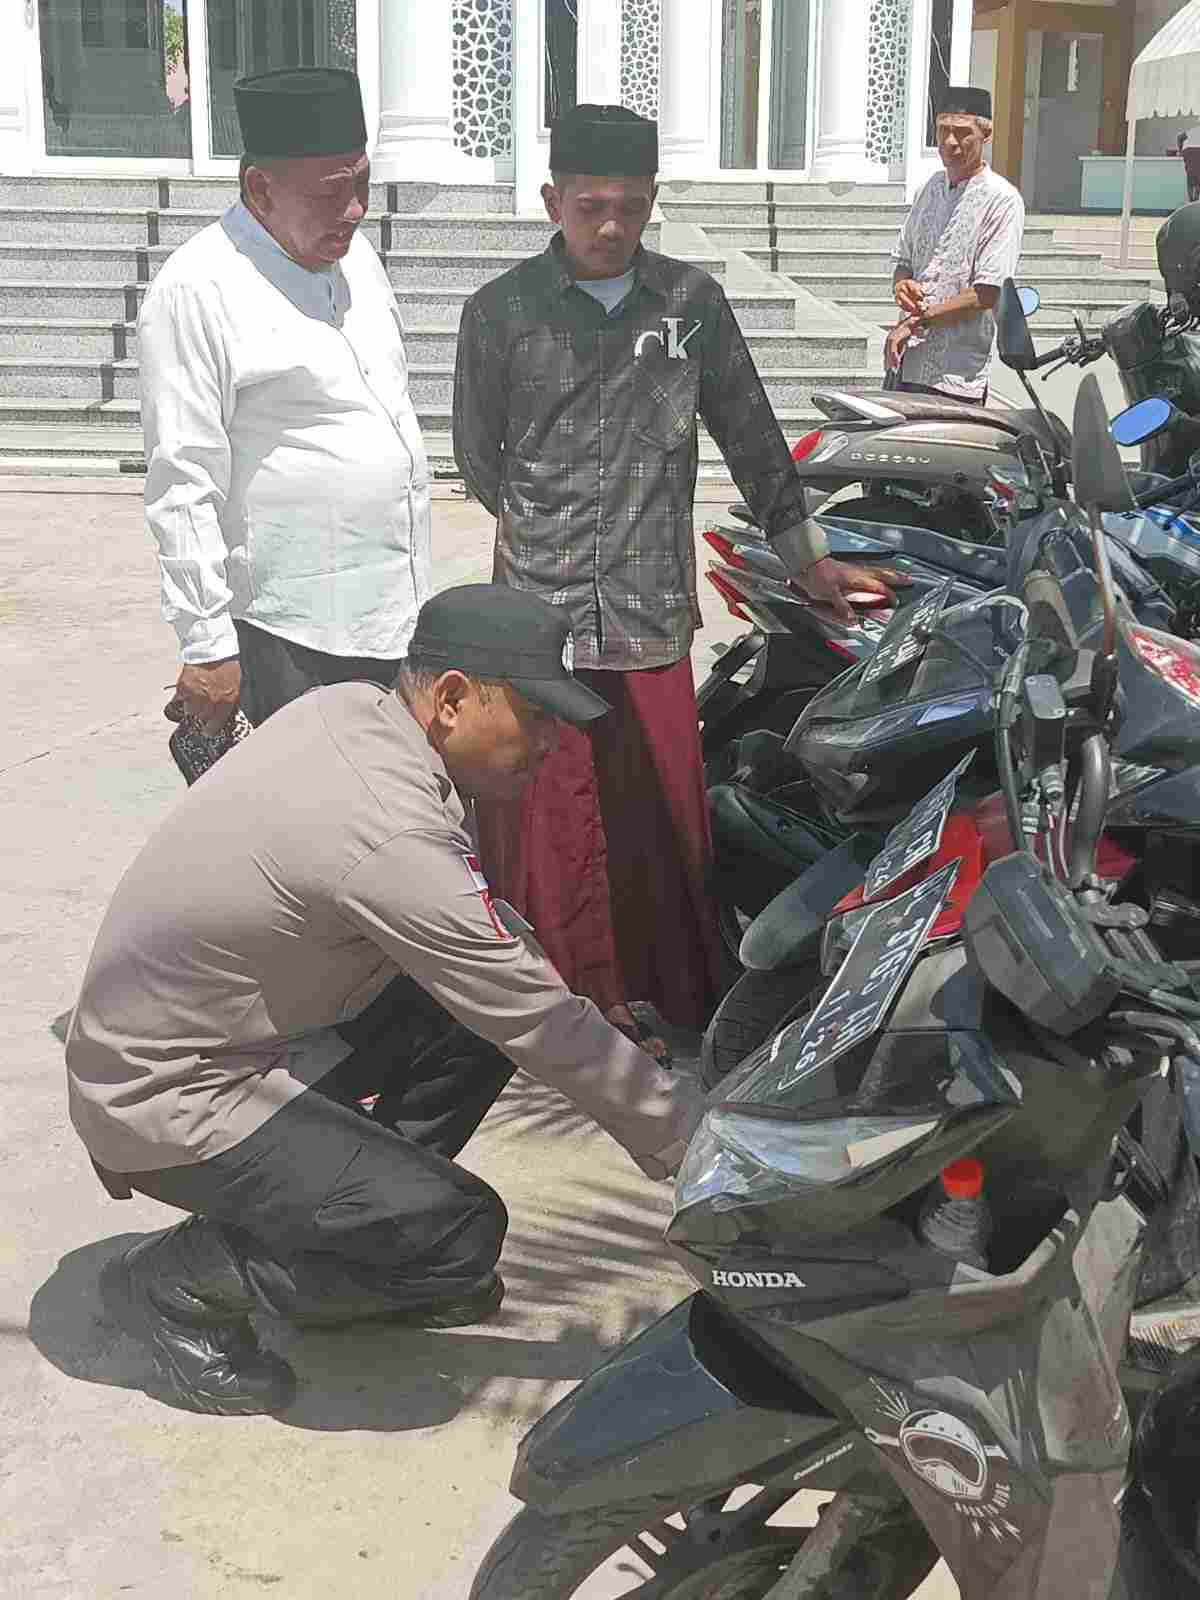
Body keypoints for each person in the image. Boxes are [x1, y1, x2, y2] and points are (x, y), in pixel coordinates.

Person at [65, 584, 705, 1418]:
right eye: (537, 718)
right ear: (449, 699)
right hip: (167, 1100)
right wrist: (695, 1150)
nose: (551, 744)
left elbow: (497, 966)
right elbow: (538, 1019)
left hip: (218, 1043)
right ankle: (175, 1286)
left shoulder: (351, 711)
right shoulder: (386, 826)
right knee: (457, 1236)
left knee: (479, 1004)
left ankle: (360, 1230)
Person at [452, 104, 905, 1054]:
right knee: (556, 820)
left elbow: (749, 434)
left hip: (653, 610)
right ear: (552, 202)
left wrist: (807, 558)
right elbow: (479, 458)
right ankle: (573, 1007)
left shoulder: (689, 306)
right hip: (543, 621)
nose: (611, 227)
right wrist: (545, 539)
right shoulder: (498, 312)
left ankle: (674, 992)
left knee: (657, 810)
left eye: (629, 208)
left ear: (652, 203)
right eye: (590, 208)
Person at [139, 66, 430, 732]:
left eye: (363, 183)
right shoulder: (197, 291)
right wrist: (207, 644)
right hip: (290, 639)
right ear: (259, 188)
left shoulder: (355, 257)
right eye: (334, 192)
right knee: (311, 828)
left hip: (393, 619)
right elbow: (182, 481)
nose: (356, 209)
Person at [887, 86, 1025, 405]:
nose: (950, 142)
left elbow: (986, 293)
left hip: (957, 377)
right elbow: (904, 259)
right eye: (943, 131)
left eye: (962, 133)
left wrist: (916, 323)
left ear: (985, 135)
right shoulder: (929, 188)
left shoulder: (1002, 200)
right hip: (907, 364)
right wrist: (901, 284)